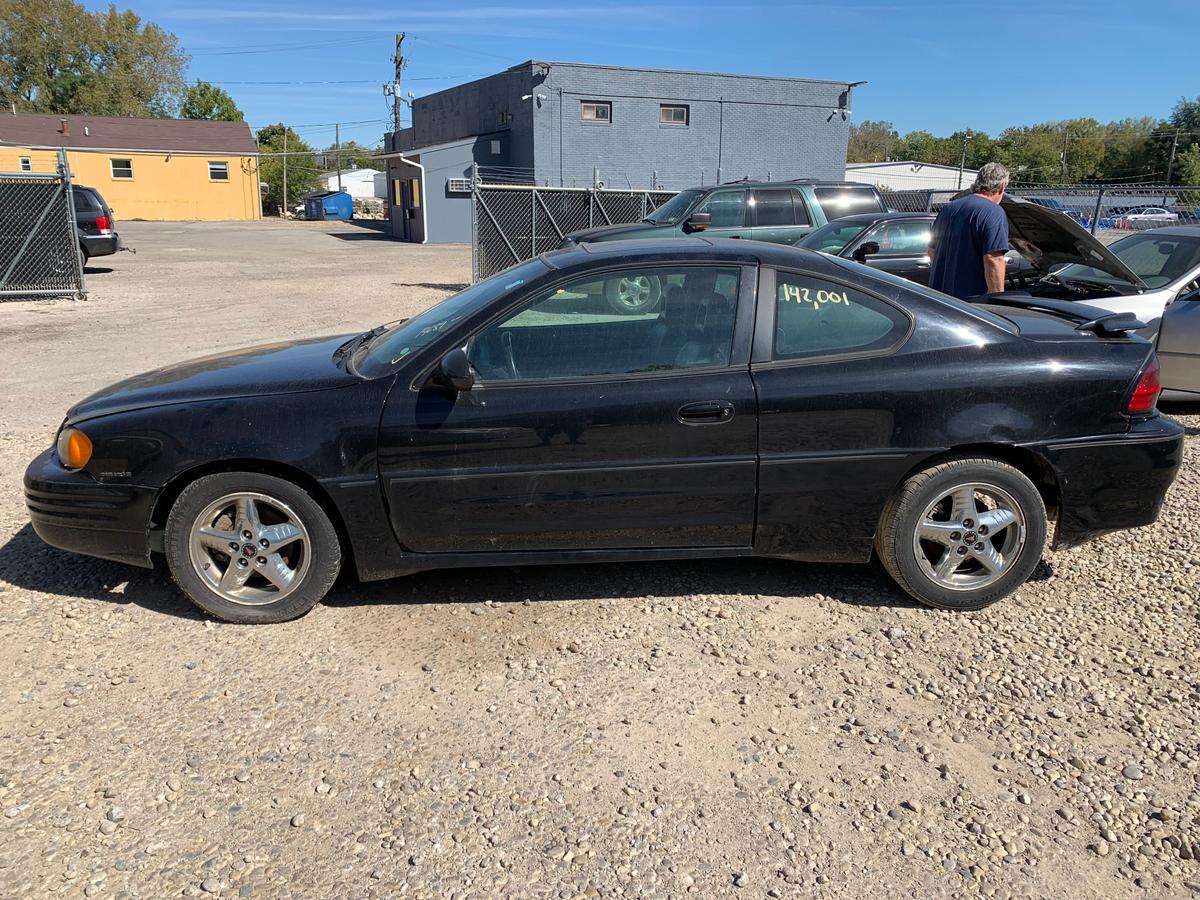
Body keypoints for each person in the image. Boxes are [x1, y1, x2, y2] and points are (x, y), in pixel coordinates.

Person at [928, 162, 1011, 298]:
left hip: (940, 299)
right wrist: (998, 300)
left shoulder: (948, 209)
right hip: (970, 305)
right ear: (1001, 188)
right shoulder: (994, 212)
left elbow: (932, 252)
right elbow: (993, 259)